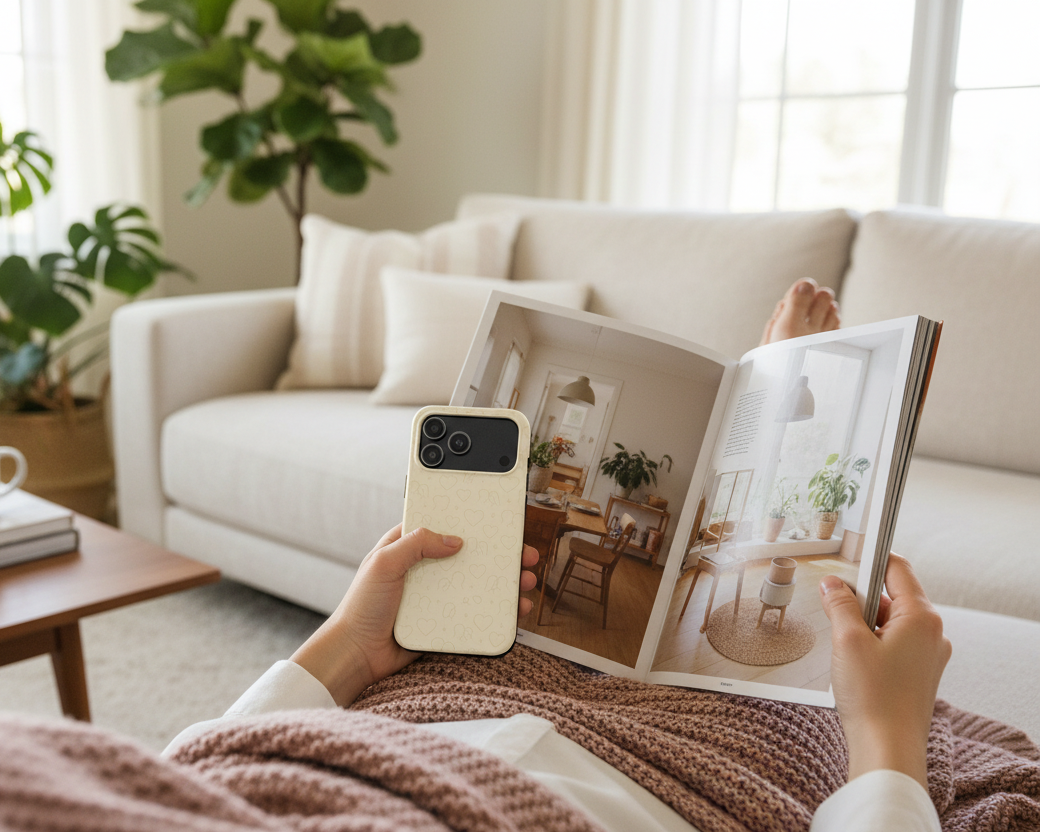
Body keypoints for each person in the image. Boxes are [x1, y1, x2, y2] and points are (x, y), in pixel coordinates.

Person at [164, 278, 953, 831]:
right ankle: (774, 399)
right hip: (671, 778)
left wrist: (348, 645)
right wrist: (890, 742)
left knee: (481, 626)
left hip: (386, 732)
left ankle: (773, 395)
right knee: (750, 695)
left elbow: (193, 782)